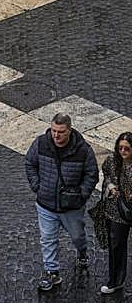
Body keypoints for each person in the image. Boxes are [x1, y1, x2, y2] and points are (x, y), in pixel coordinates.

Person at [26, 113, 98, 291]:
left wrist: (82, 195)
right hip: (45, 204)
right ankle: (52, 272)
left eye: (61, 132)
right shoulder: (40, 143)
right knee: (48, 239)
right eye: (53, 130)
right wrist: (37, 186)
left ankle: (82, 251)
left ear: (70, 130)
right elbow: (30, 163)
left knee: (77, 236)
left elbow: (92, 174)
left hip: (71, 206)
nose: (56, 135)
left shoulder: (83, 150)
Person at [96, 132, 132, 294]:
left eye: (127, 148)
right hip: (116, 210)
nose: (123, 151)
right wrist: (110, 186)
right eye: (120, 148)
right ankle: (116, 280)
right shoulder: (111, 161)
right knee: (116, 245)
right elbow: (107, 175)